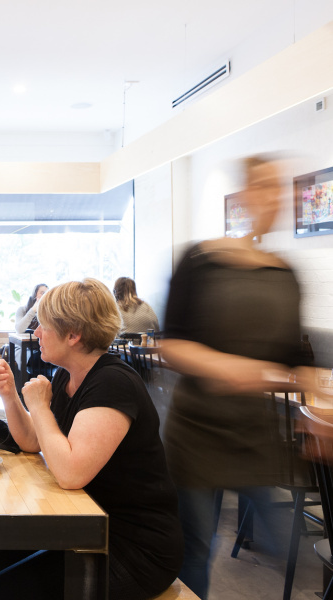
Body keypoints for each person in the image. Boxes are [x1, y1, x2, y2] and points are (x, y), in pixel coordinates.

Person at [161, 155, 321, 599]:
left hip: (254, 435)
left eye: (281, 189)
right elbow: (171, 343)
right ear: (245, 194)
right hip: (197, 431)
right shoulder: (200, 261)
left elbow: (296, 356)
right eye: (265, 187)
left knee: (284, 547)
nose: (275, 198)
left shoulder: (285, 273)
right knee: (195, 548)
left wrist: (315, 402)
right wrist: (224, 366)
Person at [0, 278, 182, 600]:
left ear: (72, 335)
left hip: (133, 546)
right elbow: (33, 441)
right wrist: (9, 394)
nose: (37, 333)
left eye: (44, 325)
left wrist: (40, 406)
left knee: (4, 591)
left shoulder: (112, 383)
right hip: (85, 522)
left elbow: (70, 473)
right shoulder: (68, 375)